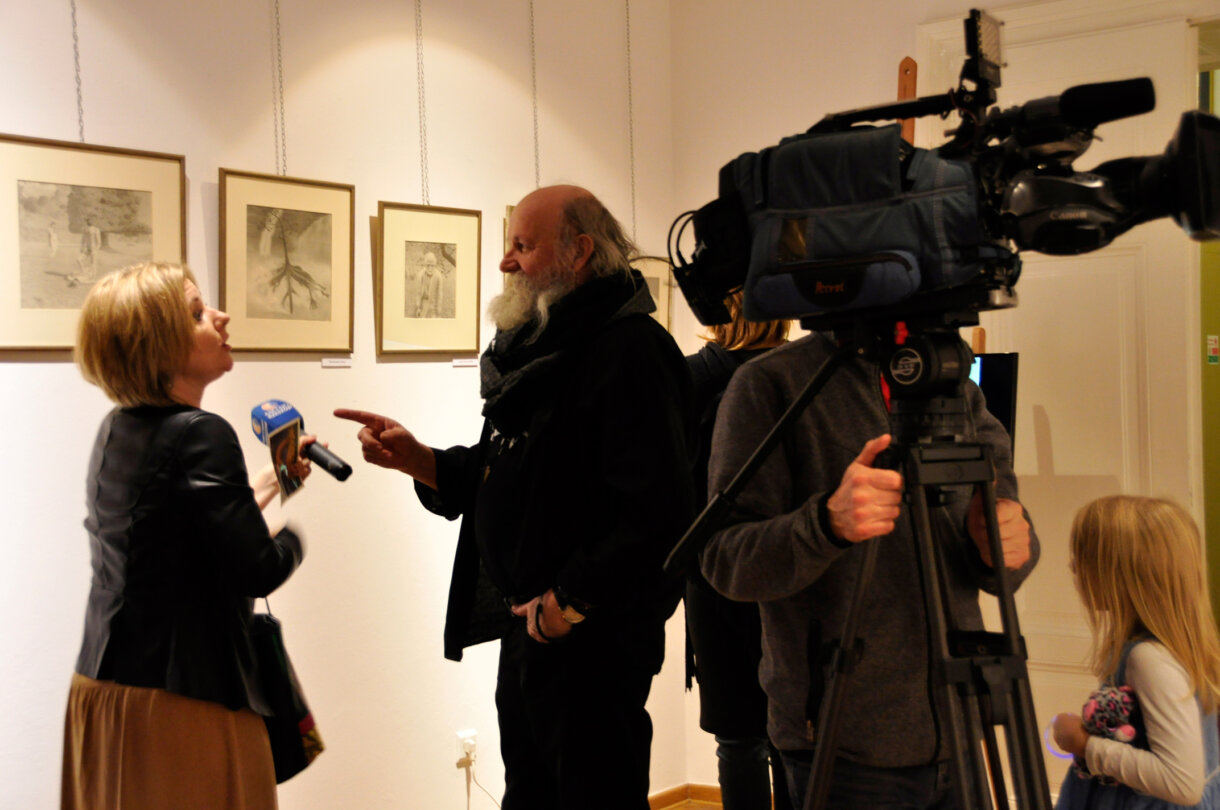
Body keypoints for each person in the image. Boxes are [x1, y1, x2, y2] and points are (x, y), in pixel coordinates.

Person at [335, 185, 693, 810]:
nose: (506, 262)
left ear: (579, 252)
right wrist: (419, 459)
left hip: (593, 643)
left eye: (523, 246)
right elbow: (507, 472)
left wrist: (569, 603)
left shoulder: (630, 351)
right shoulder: (541, 348)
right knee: (529, 795)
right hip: (530, 631)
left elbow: (656, 513)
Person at [700, 328, 1039, 809]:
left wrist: (1005, 543)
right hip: (841, 745)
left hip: (962, 731)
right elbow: (725, 559)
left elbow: (1006, 534)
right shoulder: (772, 382)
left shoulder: (954, 386)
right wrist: (826, 524)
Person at [61, 262, 314, 810]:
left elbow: (170, 534)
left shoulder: (117, 427)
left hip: (105, 690)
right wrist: (293, 538)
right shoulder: (203, 432)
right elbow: (259, 568)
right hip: (183, 703)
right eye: (198, 313)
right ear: (157, 344)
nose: (221, 317)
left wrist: (266, 485)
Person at [684, 290, 792, 810]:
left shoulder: (688, 379)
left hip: (714, 576)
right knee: (791, 731)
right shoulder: (798, 376)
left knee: (738, 737)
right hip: (787, 567)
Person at [1052, 495, 1220, 809]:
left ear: (1124, 576)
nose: (1072, 566)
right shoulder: (1177, 648)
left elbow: (1182, 784)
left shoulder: (1149, 660)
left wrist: (1085, 745)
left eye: (1084, 558)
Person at [413, 250, 441, 317]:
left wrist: (438, 308)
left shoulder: (438, 276)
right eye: (428, 265)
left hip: (433, 304)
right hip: (423, 303)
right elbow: (418, 292)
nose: (430, 268)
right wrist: (418, 306)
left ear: (435, 266)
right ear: (425, 265)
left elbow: (440, 294)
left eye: (432, 266)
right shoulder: (421, 275)